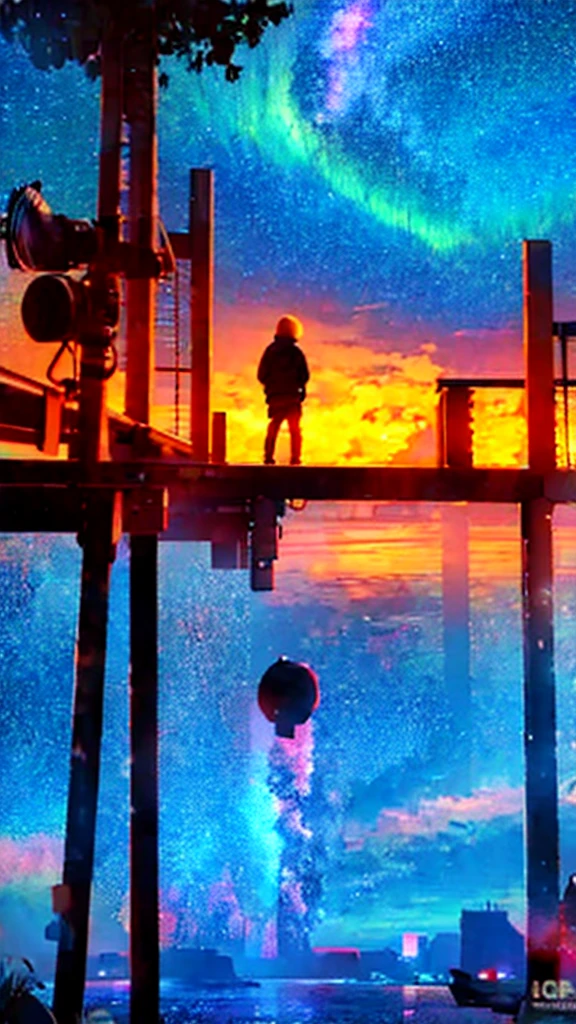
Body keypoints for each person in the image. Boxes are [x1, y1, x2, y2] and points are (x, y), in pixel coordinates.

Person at [257, 315, 310, 465]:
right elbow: (304, 375)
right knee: (295, 429)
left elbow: (261, 374)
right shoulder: (296, 353)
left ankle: (268, 457)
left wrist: (270, 386)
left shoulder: (270, 351)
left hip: (276, 397)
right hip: (292, 396)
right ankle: (295, 458)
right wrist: (299, 387)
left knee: (274, 427)